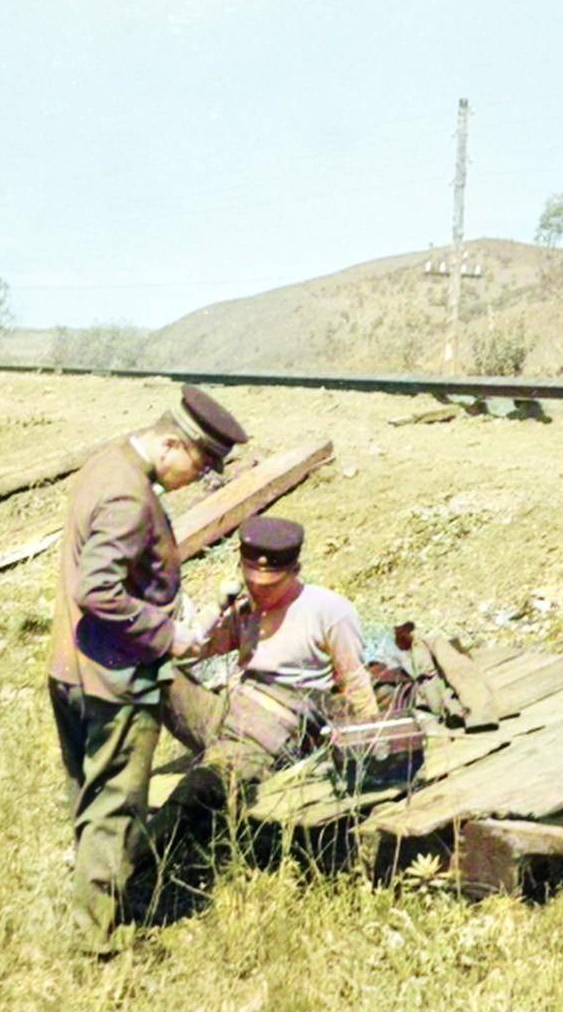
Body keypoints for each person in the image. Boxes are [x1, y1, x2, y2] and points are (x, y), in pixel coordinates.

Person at [47, 384, 247, 955]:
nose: (200, 477)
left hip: (72, 666)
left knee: (88, 795)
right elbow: (99, 589)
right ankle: (94, 940)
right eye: (201, 462)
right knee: (116, 806)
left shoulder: (105, 464)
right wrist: (170, 634)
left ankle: (90, 902)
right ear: (169, 443)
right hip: (115, 681)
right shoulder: (131, 498)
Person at [156, 517, 382, 823]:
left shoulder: (329, 612)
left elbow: (355, 684)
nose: (259, 592)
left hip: (271, 727)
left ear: (294, 571)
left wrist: (369, 750)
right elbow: (189, 653)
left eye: (270, 585)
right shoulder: (247, 609)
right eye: (251, 582)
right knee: (152, 666)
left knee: (201, 790)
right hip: (224, 711)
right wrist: (216, 609)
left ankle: (150, 853)